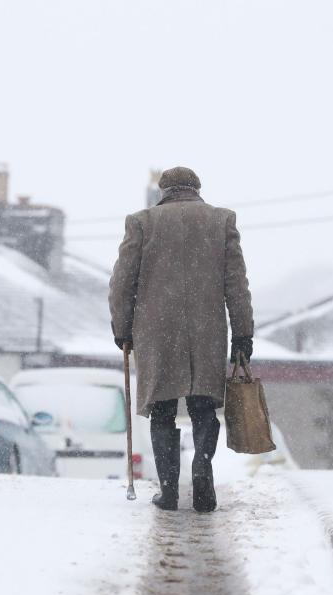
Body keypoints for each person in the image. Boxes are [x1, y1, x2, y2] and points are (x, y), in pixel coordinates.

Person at [109, 166, 253, 512]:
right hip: (207, 329)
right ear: (197, 189)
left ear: (164, 191)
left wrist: (122, 329)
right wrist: (243, 333)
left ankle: (170, 488)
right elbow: (236, 284)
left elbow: (121, 283)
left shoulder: (142, 222)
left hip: (157, 330)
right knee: (204, 407)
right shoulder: (221, 221)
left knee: (161, 410)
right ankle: (202, 470)